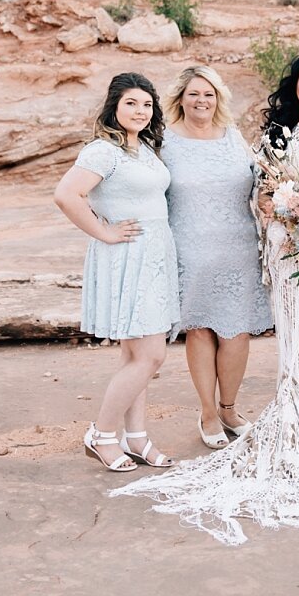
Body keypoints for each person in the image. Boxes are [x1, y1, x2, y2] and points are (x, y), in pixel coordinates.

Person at [130, 46, 299, 539]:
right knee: (287, 332)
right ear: (294, 84)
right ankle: (243, 410)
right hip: (283, 250)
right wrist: (282, 213)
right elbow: (264, 189)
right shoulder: (272, 133)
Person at [55, 69, 177, 475]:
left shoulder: (143, 148)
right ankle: (102, 434)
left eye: (147, 104)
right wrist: (104, 233)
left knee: (134, 353)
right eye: (131, 103)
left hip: (155, 254)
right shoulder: (102, 151)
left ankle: (137, 437)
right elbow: (66, 194)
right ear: (114, 106)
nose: (141, 111)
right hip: (129, 255)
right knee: (151, 355)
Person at [162, 60, 272, 445]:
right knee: (201, 329)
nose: (201, 100)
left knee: (237, 332)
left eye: (208, 94)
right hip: (190, 249)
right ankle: (207, 414)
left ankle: (229, 407)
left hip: (238, 247)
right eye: (193, 93)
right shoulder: (165, 141)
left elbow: (259, 178)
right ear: (181, 98)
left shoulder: (231, 136)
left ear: (218, 98)